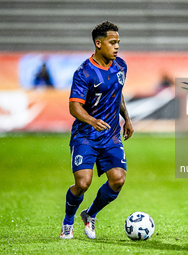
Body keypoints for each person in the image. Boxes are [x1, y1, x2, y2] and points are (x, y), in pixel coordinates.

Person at [60, 21, 134, 239]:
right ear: (98, 43)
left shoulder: (121, 66)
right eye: (113, 42)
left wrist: (127, 119)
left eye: (118, 42)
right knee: (82, 183)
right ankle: (68, 221)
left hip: (110, 135)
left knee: (118, 179)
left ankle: (90, 215)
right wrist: (92, 121)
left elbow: (117, 94)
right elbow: (74, 106)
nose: (117, 46)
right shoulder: (84, 72)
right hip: (85, 136)